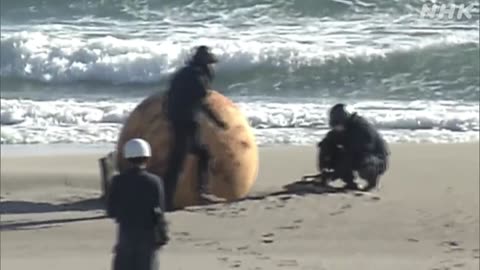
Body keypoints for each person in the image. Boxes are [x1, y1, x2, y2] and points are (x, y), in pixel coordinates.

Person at [163, 45, 228, 211]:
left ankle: (192, 193)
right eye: (210, 64)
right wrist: (218, 121)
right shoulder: (198, 78)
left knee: (197, 154)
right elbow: (203, 104)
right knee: (178, 163)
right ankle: (170, 200)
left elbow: (168, 96)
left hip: (177, 119)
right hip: (186, 122)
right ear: (205, 64)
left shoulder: (184, 73)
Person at [107, 138, 169, 270]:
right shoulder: (155, 181)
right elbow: (160, 210)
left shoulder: (117, 181)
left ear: (127, 157)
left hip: (126, 236)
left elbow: (111, 211)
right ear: (147, 157)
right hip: (148, 236)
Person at [316, 104, 390, 191]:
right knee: (330, 149)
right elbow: (326, 144)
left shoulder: (362, 130)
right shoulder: (340, 129)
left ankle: (372, 183)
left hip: (375, 159)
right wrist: (324, 169)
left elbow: (352, 155)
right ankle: (351, 184)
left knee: (365, 164)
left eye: (338, 124)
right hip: (355, 155)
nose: (337, 127)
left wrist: (333, 176)